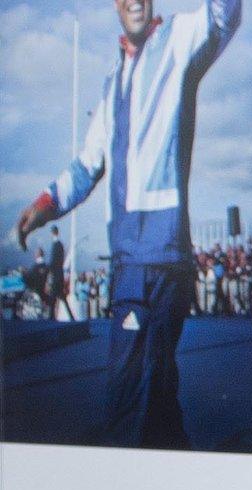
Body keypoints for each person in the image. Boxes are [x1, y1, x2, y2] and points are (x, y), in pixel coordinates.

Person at [14, 0, 240, 449]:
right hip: (128, 262)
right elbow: (86, 165)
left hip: (155, 261)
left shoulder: (178, 39)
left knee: (126, 404)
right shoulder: (112, 82)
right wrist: (44, 203)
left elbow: (224, 15)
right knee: (155, 404)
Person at [44, 226, 74, 321]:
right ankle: (70, 317)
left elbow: (54, 261)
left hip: (56, 276)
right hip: (59, 275)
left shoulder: (56, 245)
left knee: (53, 298)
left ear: (52, 233)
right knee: (62, 298)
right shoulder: (60, 245)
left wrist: (48, 270)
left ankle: (50, 318)